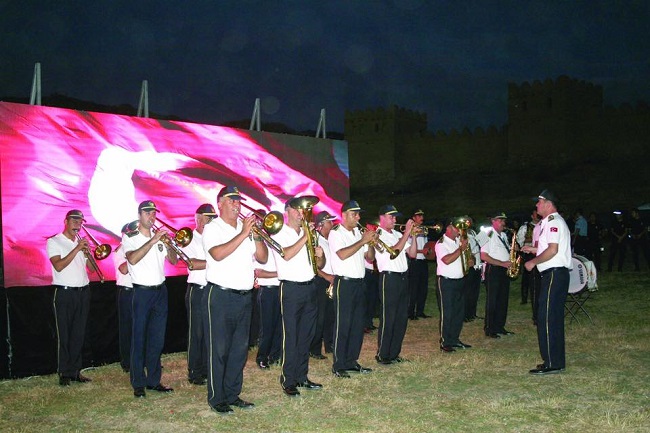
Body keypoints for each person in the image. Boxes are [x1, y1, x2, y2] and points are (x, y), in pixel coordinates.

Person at [203, 186, 268, 413]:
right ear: (220, 203)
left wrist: (257, 236)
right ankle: (216, 398)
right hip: (221, 295)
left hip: (244, 296)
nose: (236, 204)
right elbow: (217, 254)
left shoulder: (246, 228)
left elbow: (263, 257)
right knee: (219, 349)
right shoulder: (213, 228)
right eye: (231, 200)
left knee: (239, 350)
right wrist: (243, 234)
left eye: (238, 200)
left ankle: (232, 394)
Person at [122, 200, 178, 398]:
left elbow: (174, 260)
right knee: (139, 338)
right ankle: (138, 383)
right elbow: (133, 259)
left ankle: (154, 380)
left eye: (154, 213)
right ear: (140, 215)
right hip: (142, 292)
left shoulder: (160, 238)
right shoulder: (130, 236)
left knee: (157, 338)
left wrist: (170, 245)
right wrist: (153, 240)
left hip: (160, 291)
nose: (152, 216)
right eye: (148, 213)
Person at [271, 196, 325, 397]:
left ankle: (302, 376)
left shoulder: (307, 232)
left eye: (303, 210)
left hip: (310, 286)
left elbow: (318, 265)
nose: (301, 213)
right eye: (297, 209)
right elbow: (286, 254)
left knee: (306, 335)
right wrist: (306, 237)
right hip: (291, 289)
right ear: (287, 211)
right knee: (291, 335)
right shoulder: (279, 232)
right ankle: (288, 379)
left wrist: (320, 255)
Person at [523, 189, 572, 375]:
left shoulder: (554, 222)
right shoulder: (549, 223)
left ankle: (552, 362)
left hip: (554, 274)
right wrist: (533, 249)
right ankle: (555, 360)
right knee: (551, 317)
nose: (536, 205)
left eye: (539, 202)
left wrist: (533, 262)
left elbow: (552, 251)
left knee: (548, 317)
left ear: (548, 204)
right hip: (554, 274)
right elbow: (549, 248)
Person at [328, 201, 377, 377]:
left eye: (358, 214)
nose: (358, 217)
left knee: (357, 324)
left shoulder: (358, 232)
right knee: (343, 323)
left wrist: (370, 242)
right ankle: (339, 365)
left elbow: (370, 258)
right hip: (344, 283)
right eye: (354, 214)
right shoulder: (336, 233)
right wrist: (362, 240)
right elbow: (342, 254)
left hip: (359, 282)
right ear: (344, 215)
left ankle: (351, 361)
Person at [47, 209, 93, 386]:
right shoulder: (55, 241)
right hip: (64, 292)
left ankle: (75, 371)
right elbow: (58, 265)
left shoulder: (79, 242)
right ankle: (64, 372)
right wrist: (77, 249)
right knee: (64, 334)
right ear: (65, 221)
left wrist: (87, 253)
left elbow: (89, 267)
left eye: (80, 221)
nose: (77, 224)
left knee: (78, 333)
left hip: (83, 291)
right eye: (74, 220)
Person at [374, 205, 417, 364]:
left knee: (401, 317)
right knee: (388, 317)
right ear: (382, 217)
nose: (394, 219)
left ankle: (394, 353)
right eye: (391, 217)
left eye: (395, 217)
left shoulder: (398, 234)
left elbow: (412, 254)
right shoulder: (378, 235)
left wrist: (413, 237)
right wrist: (406, 233)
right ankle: (383, 354)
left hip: (402, 278)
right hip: (389, 278)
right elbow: (393, 253)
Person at [182, 203, 217, 386]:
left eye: (212, 218)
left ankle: (206, 368)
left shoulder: (213, 237)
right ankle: (194, 371)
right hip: (197, 289)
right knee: (196, 333)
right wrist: (217, 259)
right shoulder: (189, 238)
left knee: (210, 332)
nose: (210, 221)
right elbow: (192, 263)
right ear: (198, 219)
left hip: (212, 288)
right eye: (207, 218)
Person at [436, 218, 473, 352]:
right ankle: (445, 342)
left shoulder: (458, 241)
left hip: (460, 280)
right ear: (449, 228)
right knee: (447, 312)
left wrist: (470, 260)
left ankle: (455, 339)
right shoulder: (441, 243)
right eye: (456, 227)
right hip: (446, 281)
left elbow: (468, 257)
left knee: (458, 312)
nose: (459, 230)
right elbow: (446, 260)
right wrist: (461, 249)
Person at [481, 212, 515, 338]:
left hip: (504, 269)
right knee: (493, 300)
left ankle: (500, 326)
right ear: (493, 221)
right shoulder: (486, 233)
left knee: (502, 299)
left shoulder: (504, 235)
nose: (503, 223)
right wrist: (502, 263)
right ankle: (489, 328)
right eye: (500, 220)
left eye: (504, 221)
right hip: (494, 269)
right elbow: (483, 255)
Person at [309, 211, 337, 360]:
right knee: (319, 316)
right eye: (329, 222)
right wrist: (327, 276)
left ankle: (329, 344)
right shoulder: (315, 239)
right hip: (321, 280)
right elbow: (312, 264)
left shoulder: (329, 240)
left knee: (330, 315)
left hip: (331, 280)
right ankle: (314, 349)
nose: (332, 225)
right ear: (321, 224)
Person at [114, 221, 136, 374]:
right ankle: (127, 361)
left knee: (141, 327)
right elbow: (123, 269)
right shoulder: (120, 250)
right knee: (127, 328)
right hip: (127, 291)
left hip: (140, 290)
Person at [254, 253, 282, 369]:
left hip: (281, 289)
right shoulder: (263, 249)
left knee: (279, 326)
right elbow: (259, 273)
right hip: (267, 290)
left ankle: (274, 356)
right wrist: (280, 273)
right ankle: (262, 357)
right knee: (267, 327)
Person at [408, 209, 431, 320]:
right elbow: (408, 248)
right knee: (414, 288)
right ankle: (410, 312)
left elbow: (425, 246)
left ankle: (420, 311)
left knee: (423, 287)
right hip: (414, 262)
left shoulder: (423, 229)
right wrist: (422, 251)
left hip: (423, 261)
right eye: (419, 216)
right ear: (414, 217)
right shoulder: (410, 230)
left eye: (422, 215)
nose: (421, 217)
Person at [464, 218, 486, 322]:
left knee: (475, 290)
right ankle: (465, 314)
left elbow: (481, 243)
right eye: (467, 221)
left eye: (470, 221)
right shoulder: (462, 233)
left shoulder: (472, 232)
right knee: (467, 291)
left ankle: (472, 313)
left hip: (477, 263)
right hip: (469, 263)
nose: (469, 223)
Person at [517, 209, 540, 305]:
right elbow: (519, 239)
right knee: (526, 277)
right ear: (532, 216)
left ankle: (536, 295)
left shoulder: (543, 225)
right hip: (528, 254)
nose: (537, 215)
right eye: (535, 214)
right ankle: (524, 297)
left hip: (538, 253)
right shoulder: (525, 227)